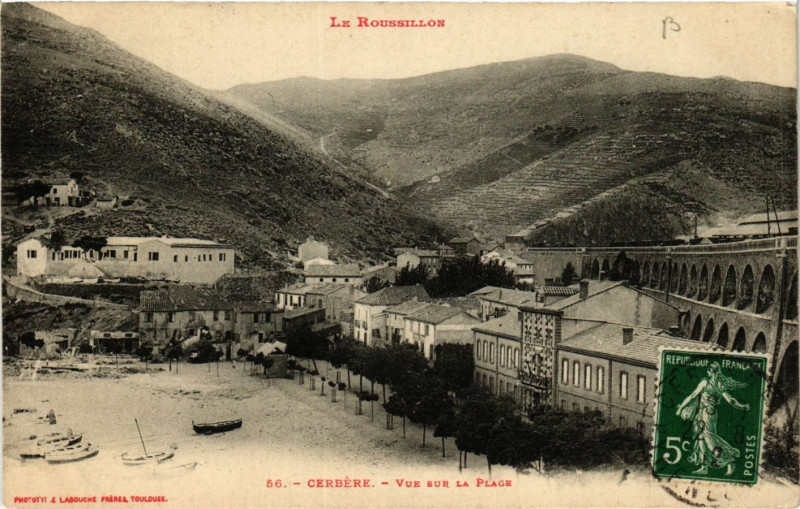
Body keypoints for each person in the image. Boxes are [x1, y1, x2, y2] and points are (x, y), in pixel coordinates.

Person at [676, 362, 750, 475]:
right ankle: (704, 466)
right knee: (701, 440)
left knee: (710, 441)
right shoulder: (721, 385)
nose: (707, 372)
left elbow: (692, 396)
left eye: (708, 370)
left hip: (706, 415)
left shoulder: (705, 383)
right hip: (708, 415)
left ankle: (729, 459)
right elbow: (731, 400)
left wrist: (680, 408)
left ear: (711, 371)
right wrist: (742, 406)